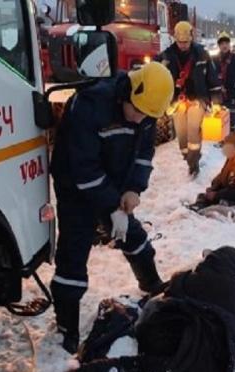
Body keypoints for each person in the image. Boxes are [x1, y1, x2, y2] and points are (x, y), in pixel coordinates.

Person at [49, 62, 174, 354]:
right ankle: (67, 326)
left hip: (114, 184)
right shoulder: (90, 105)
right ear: (127, 93)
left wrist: (133, 189)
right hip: (76, 188)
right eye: (137, 112)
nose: (140, 119)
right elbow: (84, 170)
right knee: (73, 254)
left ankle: (151, 281)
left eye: (148, 116)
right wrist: (112, 207)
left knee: (134, 235)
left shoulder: (147, 108)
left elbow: (144, 153)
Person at [51, 246, 235, 372]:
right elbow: (135, 370)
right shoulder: (219, 339)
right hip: (200, 303)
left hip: (198, 307)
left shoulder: (191, 362)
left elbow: (135, 371)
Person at [155, 21, 222, 176]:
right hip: (177, 101)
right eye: (180, 42)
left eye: (186, 42)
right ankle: (188, 157)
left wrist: (216, 102)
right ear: (175, 39)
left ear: (191, 38)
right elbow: (153, 71)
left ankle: (194, 163)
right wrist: (160, 66)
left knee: (193, 130)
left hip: (198, 99)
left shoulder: (201, 54)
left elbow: (212, 79)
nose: (183, 45)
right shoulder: (167, 56)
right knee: (182, 135)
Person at [213, 31, 235, 131]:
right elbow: (209, 76)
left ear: (229, 45)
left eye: (226, 43)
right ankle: (221, 140)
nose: (224, 46)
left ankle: (232, 139)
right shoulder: (214, 60)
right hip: (218, 93)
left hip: (231, 92)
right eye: (222, 44)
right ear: (219, 45)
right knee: (219, 117)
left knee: (232, 117)